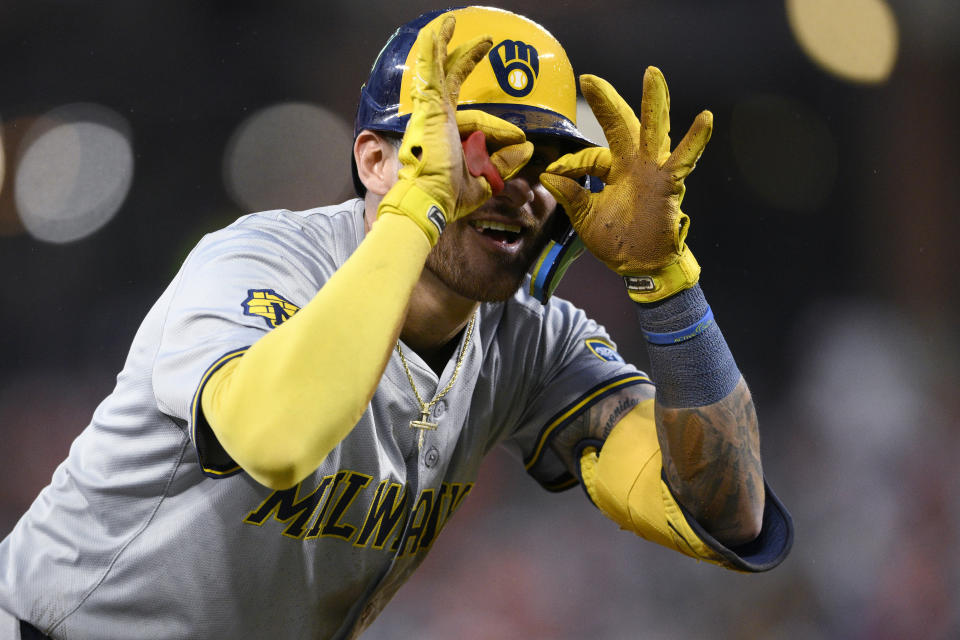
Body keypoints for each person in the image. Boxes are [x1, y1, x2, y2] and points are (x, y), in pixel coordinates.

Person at [0, 6, 792, 639]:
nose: (516, 185)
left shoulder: (531, 339)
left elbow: (727, 513)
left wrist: (667, 283)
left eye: (546, 158)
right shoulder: (262, 260)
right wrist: (421, 203)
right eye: (483, 146)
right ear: (376, 160)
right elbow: (272, 440)